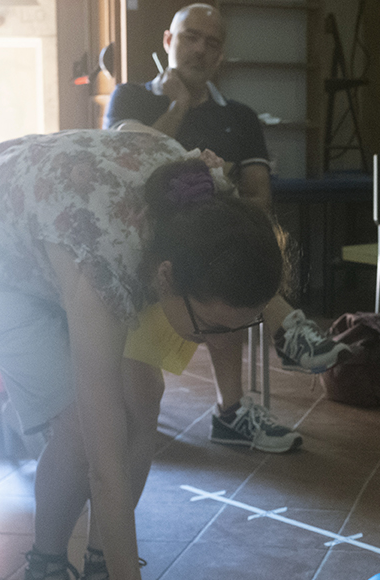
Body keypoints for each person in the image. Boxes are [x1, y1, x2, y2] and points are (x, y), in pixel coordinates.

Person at [0, 128, 288, 580]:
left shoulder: (206, 203)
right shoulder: (103, 265)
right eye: (212, 327)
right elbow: (105, 467)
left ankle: (101, 577)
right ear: (165, 278)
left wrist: (290, 324)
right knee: (80, 428)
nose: (220, 341)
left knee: (143, 398)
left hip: (55, 233)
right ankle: (46, 568)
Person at [103, 3, 349, 454]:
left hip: (207, 254)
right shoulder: (129, 98)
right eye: (190, 37)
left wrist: (216, 194)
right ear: (168, 41)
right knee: (223, 253)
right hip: (142, 252)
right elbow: (127, 161)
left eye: (211, 43)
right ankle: (286, 336)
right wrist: (177, 105)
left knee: (228, 257)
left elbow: (259, 198)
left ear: (221, 56)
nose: (199, 49)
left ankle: (234, 409)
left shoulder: (240, 117)